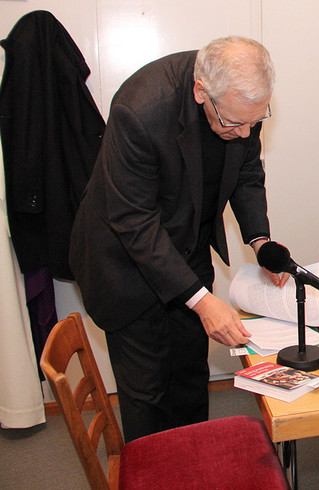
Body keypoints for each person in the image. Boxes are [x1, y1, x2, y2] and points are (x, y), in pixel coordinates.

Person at [69, 36, 287, 443]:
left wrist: (261, 242)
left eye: (255, 123)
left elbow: (246, 174)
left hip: (186, 247)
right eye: (233, 124)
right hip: (124, 263)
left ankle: (192, 462)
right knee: (147, 390)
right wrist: (202, 300)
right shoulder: (140, 109)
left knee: (189, 374)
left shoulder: (239, 105)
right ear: (201, 91)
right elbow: (134, 221)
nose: (245, 134)